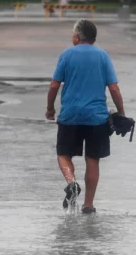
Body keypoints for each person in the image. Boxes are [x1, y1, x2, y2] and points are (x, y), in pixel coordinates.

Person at [46, 19, 125, 214]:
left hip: (70, 116)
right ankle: (88, 205)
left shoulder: (67, 54)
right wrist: (121, 113)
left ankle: (71, 183)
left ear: (77, 37)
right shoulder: (102, 56)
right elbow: (114, 88)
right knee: (93, 159)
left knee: (64, 155)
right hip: (97, 118)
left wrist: (50, 108)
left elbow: (54, 85)